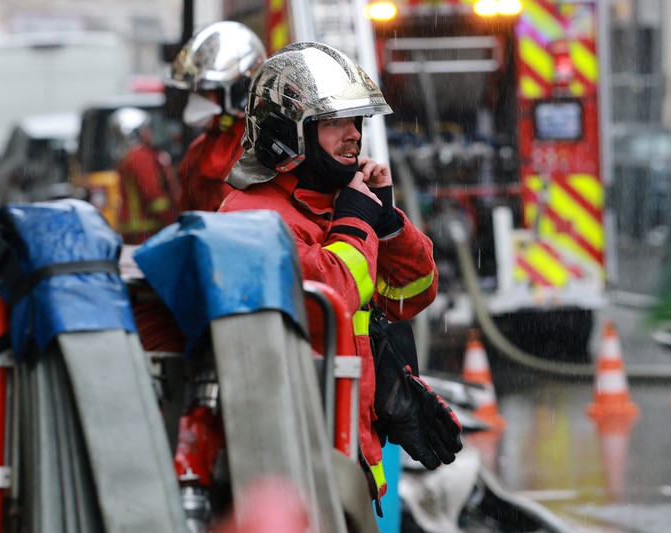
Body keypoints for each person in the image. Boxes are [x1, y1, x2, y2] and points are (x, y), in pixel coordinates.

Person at [219, 41, 463, 512]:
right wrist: (355, 223)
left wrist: (388, 223)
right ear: (285, 132)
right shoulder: (253, 216)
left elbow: (412, 295)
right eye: (334, 122)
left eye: (358, 121)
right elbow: (327, 301)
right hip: (294, 462)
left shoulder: (336, 202)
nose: (354, 135)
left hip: (346, 454)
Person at [168, 20, 267, 212]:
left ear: (239, 90)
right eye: (194, 91)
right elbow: (188, 218)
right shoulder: (195, 153)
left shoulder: (264, 152)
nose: (195, 100)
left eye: (205, 92)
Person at [112, 107, 180, 244]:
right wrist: (172, 220)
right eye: (144, 128)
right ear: (133, 132)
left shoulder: (128, 157)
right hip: (148, 232)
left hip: (137, 232)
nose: (148, 132)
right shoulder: (140, 157)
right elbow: (153, 195)